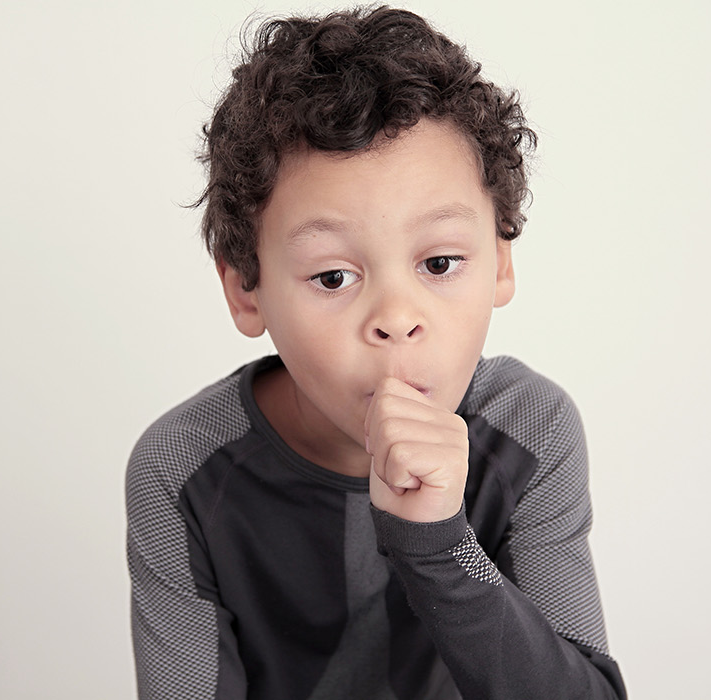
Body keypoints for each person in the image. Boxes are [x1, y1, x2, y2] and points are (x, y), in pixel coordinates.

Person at [125, 6, 626, 699]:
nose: (396, 319)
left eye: (441, 262)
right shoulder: (183, 470)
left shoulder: (530, 432)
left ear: (501, 260)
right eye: (334, 277)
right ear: (246, 288)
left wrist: (441, 547)